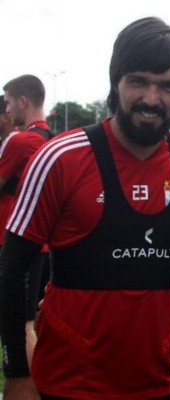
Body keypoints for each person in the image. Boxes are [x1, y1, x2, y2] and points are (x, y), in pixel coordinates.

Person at [0, 17, 170, 399]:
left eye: (168, 86)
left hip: (156, 384)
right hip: (67, 384)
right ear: (116, 81)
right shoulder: (60, 158)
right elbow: (12, 269)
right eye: (138, 81)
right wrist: (16, 374)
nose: (152, 99)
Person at [1, 76, 55, 368]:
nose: (7, 109)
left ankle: (26, 384)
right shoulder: (53, 139)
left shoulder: (22, 140)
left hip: (16, 241)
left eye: (9, 102)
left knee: (21, 326)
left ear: (23, 101)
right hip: (44, 245)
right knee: (33, 322)